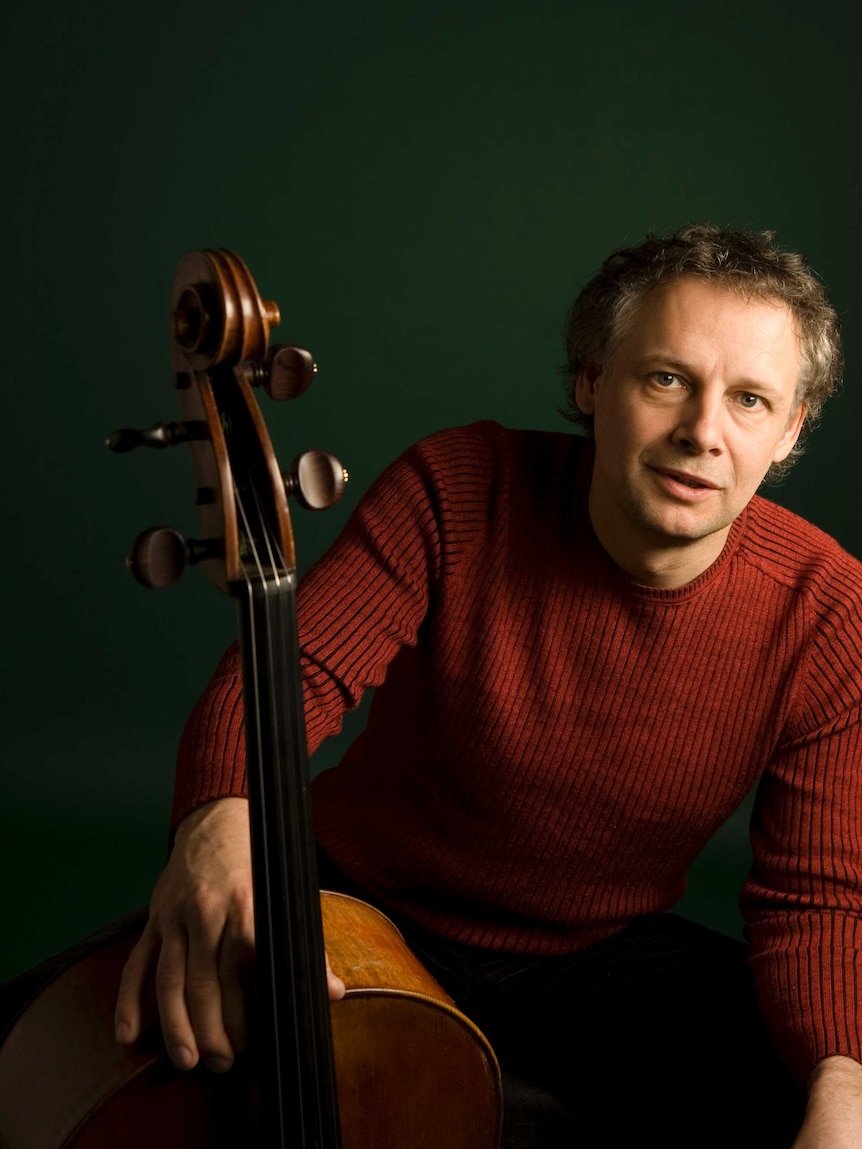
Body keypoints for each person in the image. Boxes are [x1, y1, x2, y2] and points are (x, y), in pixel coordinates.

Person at [115, 223, 862, 1148]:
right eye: (665, 378)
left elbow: (816, 899)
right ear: (593, 382)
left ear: (789, 431)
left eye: (749, 400)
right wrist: (220, 822)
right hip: (355, 909)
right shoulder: (461, 485)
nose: (703, 432)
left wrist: (841, 1092)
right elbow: (297, 669)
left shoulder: (828, 611)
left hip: (596, 958)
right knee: (139, 1062)